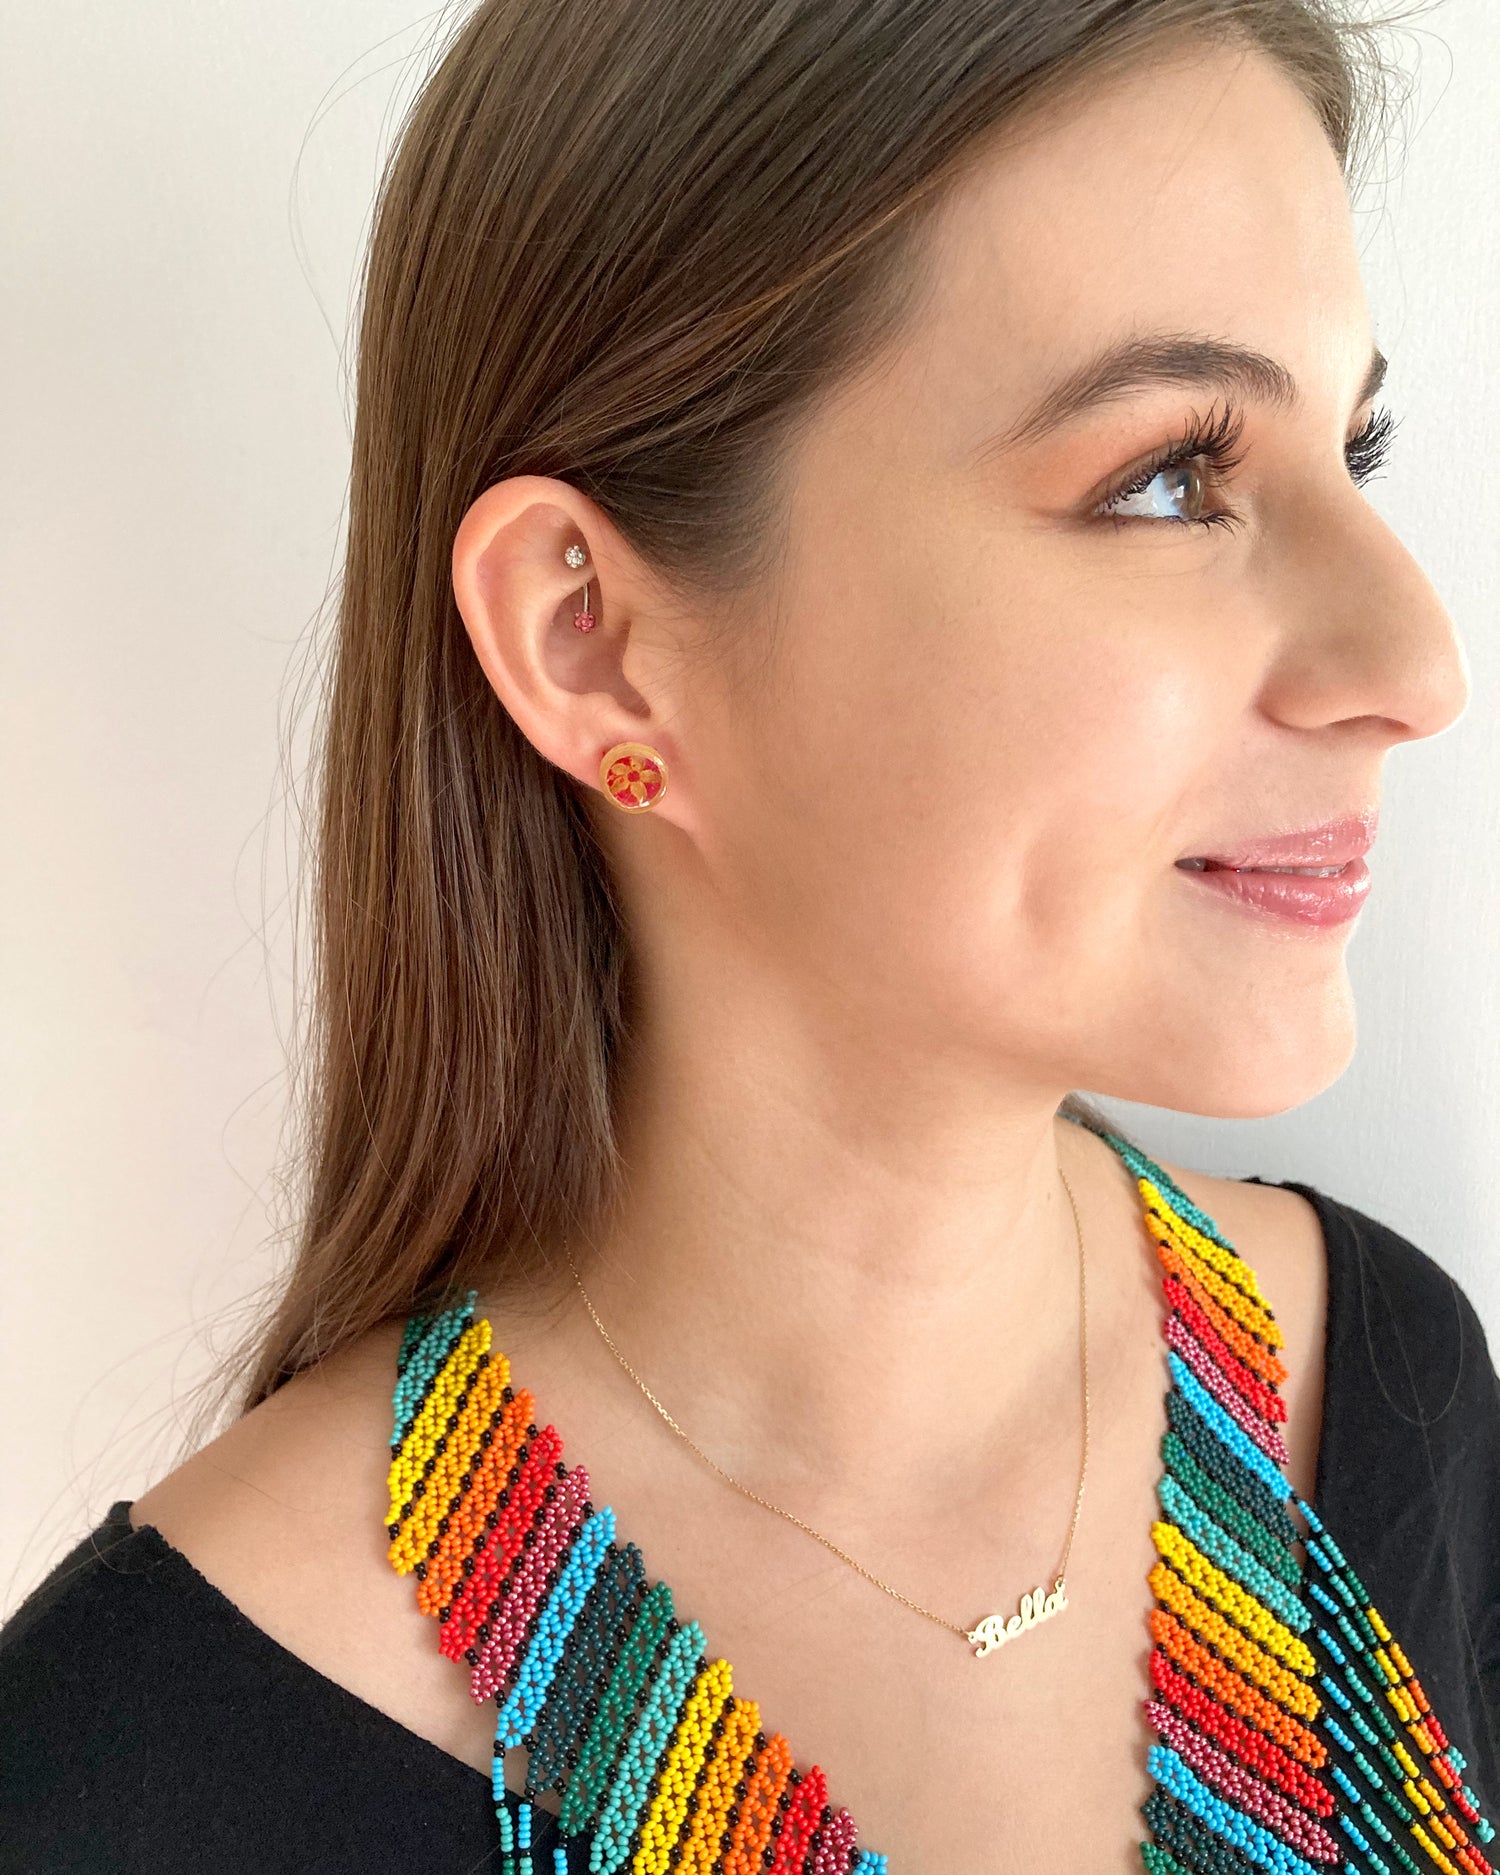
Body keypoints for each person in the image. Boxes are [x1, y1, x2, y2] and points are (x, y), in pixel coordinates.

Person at [4, 0, 1498, 1870]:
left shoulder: (1386, 1388)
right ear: (594, 643)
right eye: (1169, 478)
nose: (1417, 667)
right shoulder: (133, 1782)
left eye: (1355, 445)